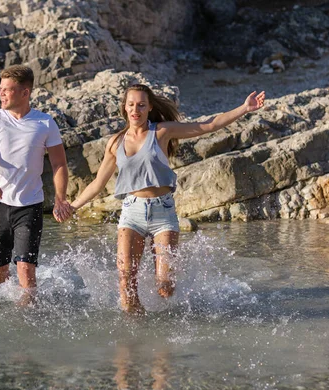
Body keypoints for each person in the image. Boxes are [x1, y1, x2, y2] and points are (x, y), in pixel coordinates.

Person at [70, 84, 265, 313]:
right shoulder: (115, 143)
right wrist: (72, 206)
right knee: (126, 281)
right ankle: (135, 336)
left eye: (141, 105)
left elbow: (208, 126)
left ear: (150, 107)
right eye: (131, 104)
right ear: (124, 107)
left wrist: (244, 108)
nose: (136, 109)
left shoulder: (161, 132)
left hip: (162, 213)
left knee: (165, 287)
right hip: (131, 212)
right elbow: (97, 183)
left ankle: (166, 328)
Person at [0, 65, 72, 305]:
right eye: (1, 89)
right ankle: (1, 314)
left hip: (30, 206)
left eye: (8, 90)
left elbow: (59, 164)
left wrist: (60, 198)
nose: (2, 94)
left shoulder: (45, 123)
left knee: (26, 269)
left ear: (25, 92)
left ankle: (27, 318)